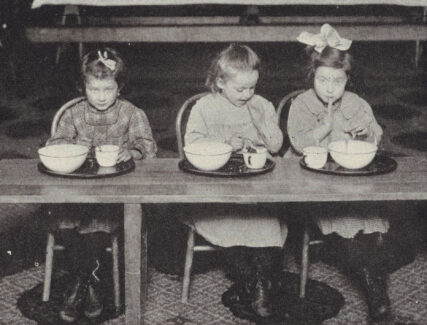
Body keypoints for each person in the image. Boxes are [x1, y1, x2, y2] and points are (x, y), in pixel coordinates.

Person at [287, 24, 392, 322]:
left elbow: (375, 136)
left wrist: (365, 133)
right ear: (312, 77)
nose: (330, 87)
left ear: (348, 79)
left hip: (352, 180)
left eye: (338, 80)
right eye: (323, 79)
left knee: (369, 222)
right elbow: (297, 142)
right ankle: (376, 292)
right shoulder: (302, 104)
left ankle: (374, 278)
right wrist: (324, 126)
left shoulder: (357, 103)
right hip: (315, 184)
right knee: (344, 221)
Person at [45, 48, 157, 322]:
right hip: (76, 191)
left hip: (114, 195)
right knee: (64, 221)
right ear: (83, 87)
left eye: (108, 88)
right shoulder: (73, 114)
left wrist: (132, 151)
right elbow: (54, 144)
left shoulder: (131, 113)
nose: (101, 96)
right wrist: (72, 145)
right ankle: (89, 282)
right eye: (94, 89)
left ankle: (80, 284)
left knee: (98, 224)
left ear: (120, 87)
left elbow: (149, 146)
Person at [183, 44, 285, 317]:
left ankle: (258, 285)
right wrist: (226, 142)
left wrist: (263, 122)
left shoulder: (260, 105)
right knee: (226, 227)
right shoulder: (204, 106)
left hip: (255, 188)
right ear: (219, 82)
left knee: (266, 228)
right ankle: (256, 285)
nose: (247, 94)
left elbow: (275, 147)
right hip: (215, 188)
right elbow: (191, 143)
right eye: (239, 89)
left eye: (252, 87)